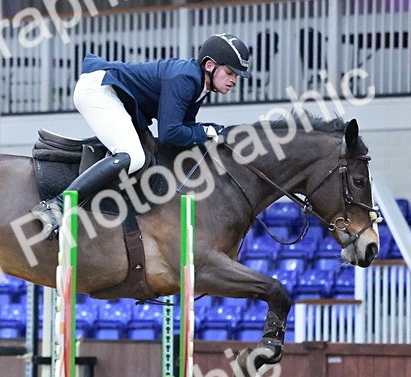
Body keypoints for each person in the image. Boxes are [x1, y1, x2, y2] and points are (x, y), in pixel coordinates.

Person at [32, 33, 252, 238]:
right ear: (210, 66)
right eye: (230, 73)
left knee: (145, 155)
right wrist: (208, 131)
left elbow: (186, 130)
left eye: (236, 75)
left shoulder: (199, 86)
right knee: (132, 155)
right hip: (98, 89)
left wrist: (209, 133)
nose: (234, 80)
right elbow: (170, 133)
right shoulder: (186, 78)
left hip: (117, 98)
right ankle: (57, 206)